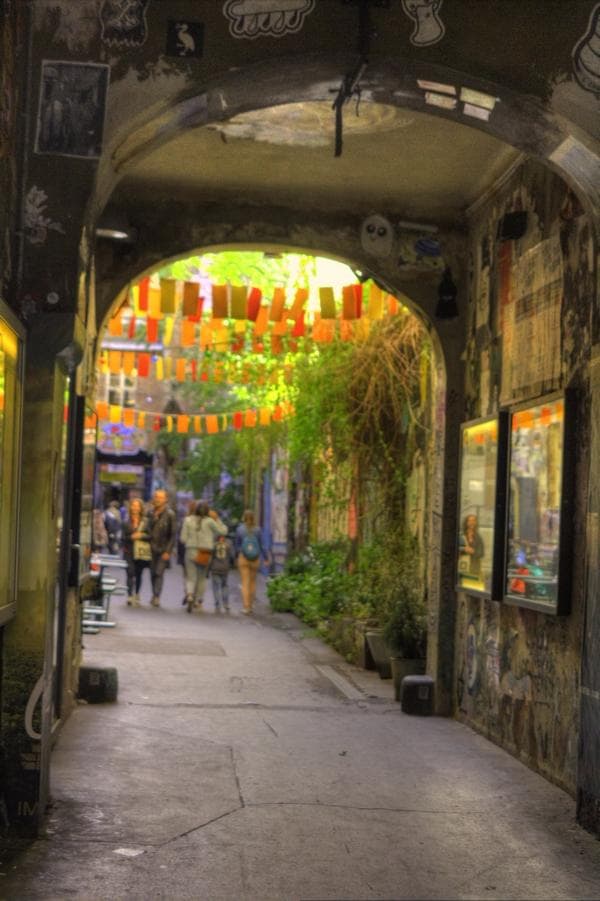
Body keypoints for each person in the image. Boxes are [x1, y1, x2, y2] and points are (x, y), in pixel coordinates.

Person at [180, 501, 227, 613]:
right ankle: (197, 600)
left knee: (191, 576)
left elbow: (183, 539)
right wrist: (217, 519)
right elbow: (223, 531)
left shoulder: (187, 520)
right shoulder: (210, 521)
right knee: (201, 577)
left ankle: (190, 594)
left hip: (190, 550)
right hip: (205, 552)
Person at [235, 509, 270, 615]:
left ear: (244, 517)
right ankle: (251, 605)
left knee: (245, 582)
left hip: (243, 558)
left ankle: (246, 607)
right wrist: (266, 558)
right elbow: (262, 545)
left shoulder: (240, 529)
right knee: (253, 582)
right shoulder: (258, 530)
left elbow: (237, 545)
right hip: (255, 558)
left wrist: (238, 556)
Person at [148, 489, 177, 607]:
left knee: (159, 572)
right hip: (151, 548)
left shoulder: (170, 514)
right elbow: (147, 529)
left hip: (163, 548)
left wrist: (168, 551)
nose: (157, 499)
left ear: (165, 499)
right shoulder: (150, 513)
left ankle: (156, 596)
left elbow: (173, 534)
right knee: (152, 572)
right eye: (156, 497)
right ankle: (154, 593)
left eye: (160, 497)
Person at [122, 497, 150, 607]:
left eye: (137, 506)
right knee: (130, 572)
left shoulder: (146, 521)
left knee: (139, 573)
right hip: (129, 551)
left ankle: (137, 593)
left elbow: (151, 535)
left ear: (141, 508)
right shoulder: (125, 521)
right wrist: (131, 537)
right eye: (133, 505)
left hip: (141, 551)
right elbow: (123, 538)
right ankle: (129, 595)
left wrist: (141, 535)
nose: (135, 508)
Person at [210, 533, 236, 613]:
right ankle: (226, 604)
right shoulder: (229, 544)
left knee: (216, 587)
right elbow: (232, 556)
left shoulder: (213, 544)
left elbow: (211, 557)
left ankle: (217, 605)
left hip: (215, 568)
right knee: (224, 586)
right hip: (225, 568)